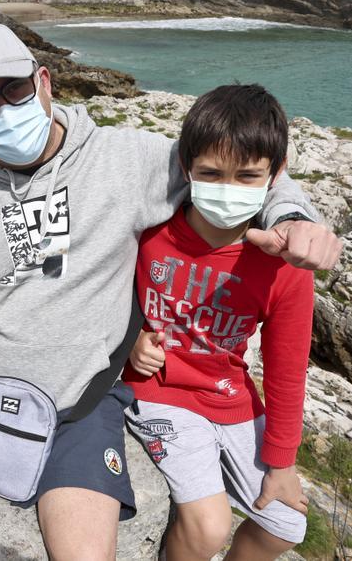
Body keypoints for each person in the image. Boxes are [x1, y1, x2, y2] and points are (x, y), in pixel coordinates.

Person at [0, 24, 341, 560]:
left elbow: (236, 164)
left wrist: (291, 214)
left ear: (44, 81)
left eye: (13, 89)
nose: (6, 109)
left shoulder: (128, 161)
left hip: (80, 401)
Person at [124, 84, 313, 560]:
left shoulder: (282, 264)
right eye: (211, 173)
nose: (228, 189)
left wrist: (282, 461)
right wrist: (130, 339)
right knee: (209, 526)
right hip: (160, 391)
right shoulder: (150, 232)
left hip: (230, 395)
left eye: (248, 176)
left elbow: (287, 369)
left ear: (277, 173)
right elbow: (105, 290)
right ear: (186, 167)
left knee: (287, 522)